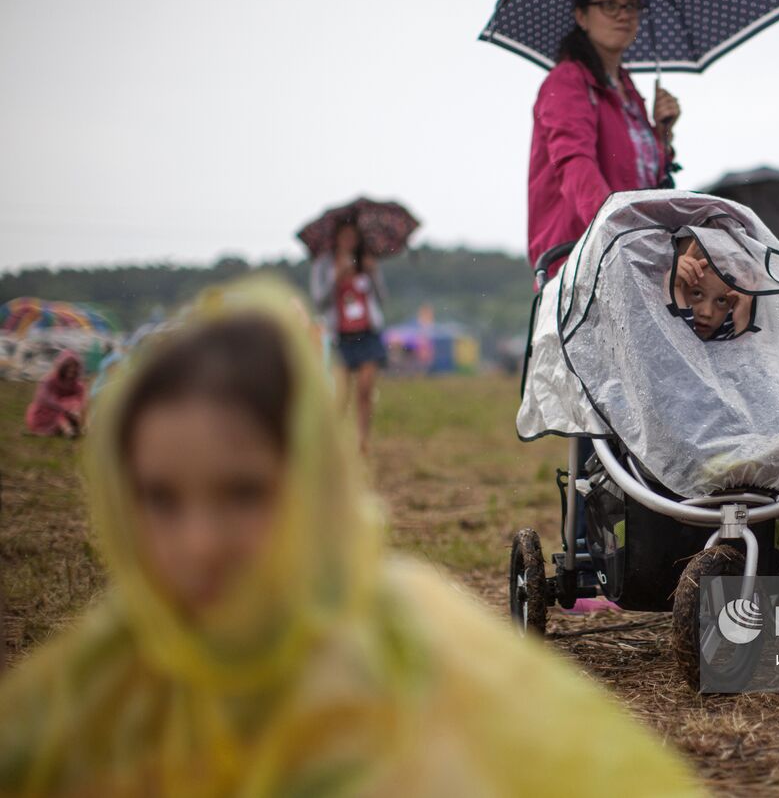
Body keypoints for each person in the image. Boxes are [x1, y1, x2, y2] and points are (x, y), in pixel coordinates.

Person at [0, 279, 701, 798]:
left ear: (313, 483)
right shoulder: (82, 700)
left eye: (243, 493)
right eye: (158, 499)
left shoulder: (426, 656)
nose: (199, 545)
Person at [528, 0, 680, 274]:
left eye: (632, 5)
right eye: (609, 5)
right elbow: (575, 165)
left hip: (634, 260)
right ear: (581, 16)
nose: (624, 15)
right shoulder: (567, 81)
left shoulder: (627, 90)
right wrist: (620, 230)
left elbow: (642, 183)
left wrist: (662, 135)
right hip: (582, 262)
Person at [310, 220, 387, 453]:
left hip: (368, 333)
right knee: (340, 396)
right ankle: (335, 442)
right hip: (340, 337)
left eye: (353, 236)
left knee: (365, 389)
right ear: (336, 238)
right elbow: (318, 301)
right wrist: (336, 277)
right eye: (345, 236)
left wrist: (373, 273)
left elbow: (383, 298)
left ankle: (362, 439)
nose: (349, 241)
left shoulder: (367, 263)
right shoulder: (323, 265)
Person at [668, 238, 754, 341]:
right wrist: (672, 283)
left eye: (721, 300)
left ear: (733, 302)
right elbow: (680, 339)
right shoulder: (663, 313)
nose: (707, 313)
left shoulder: (733, 322)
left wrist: (742, 323)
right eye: (697, 293)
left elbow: (744, 355)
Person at [24, 350, 87, 437]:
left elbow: (81, 401)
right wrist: (65, 408)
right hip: (46, 414)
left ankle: (77, 428)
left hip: (69, 414)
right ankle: (68, 430)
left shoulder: (78, 385)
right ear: (63, 367)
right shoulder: (49, 381)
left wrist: (75, 411)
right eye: (69, 366)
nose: (71, 369)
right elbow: (43, 399)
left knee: (74, 403)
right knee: (61, 409)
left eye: (74, 367)